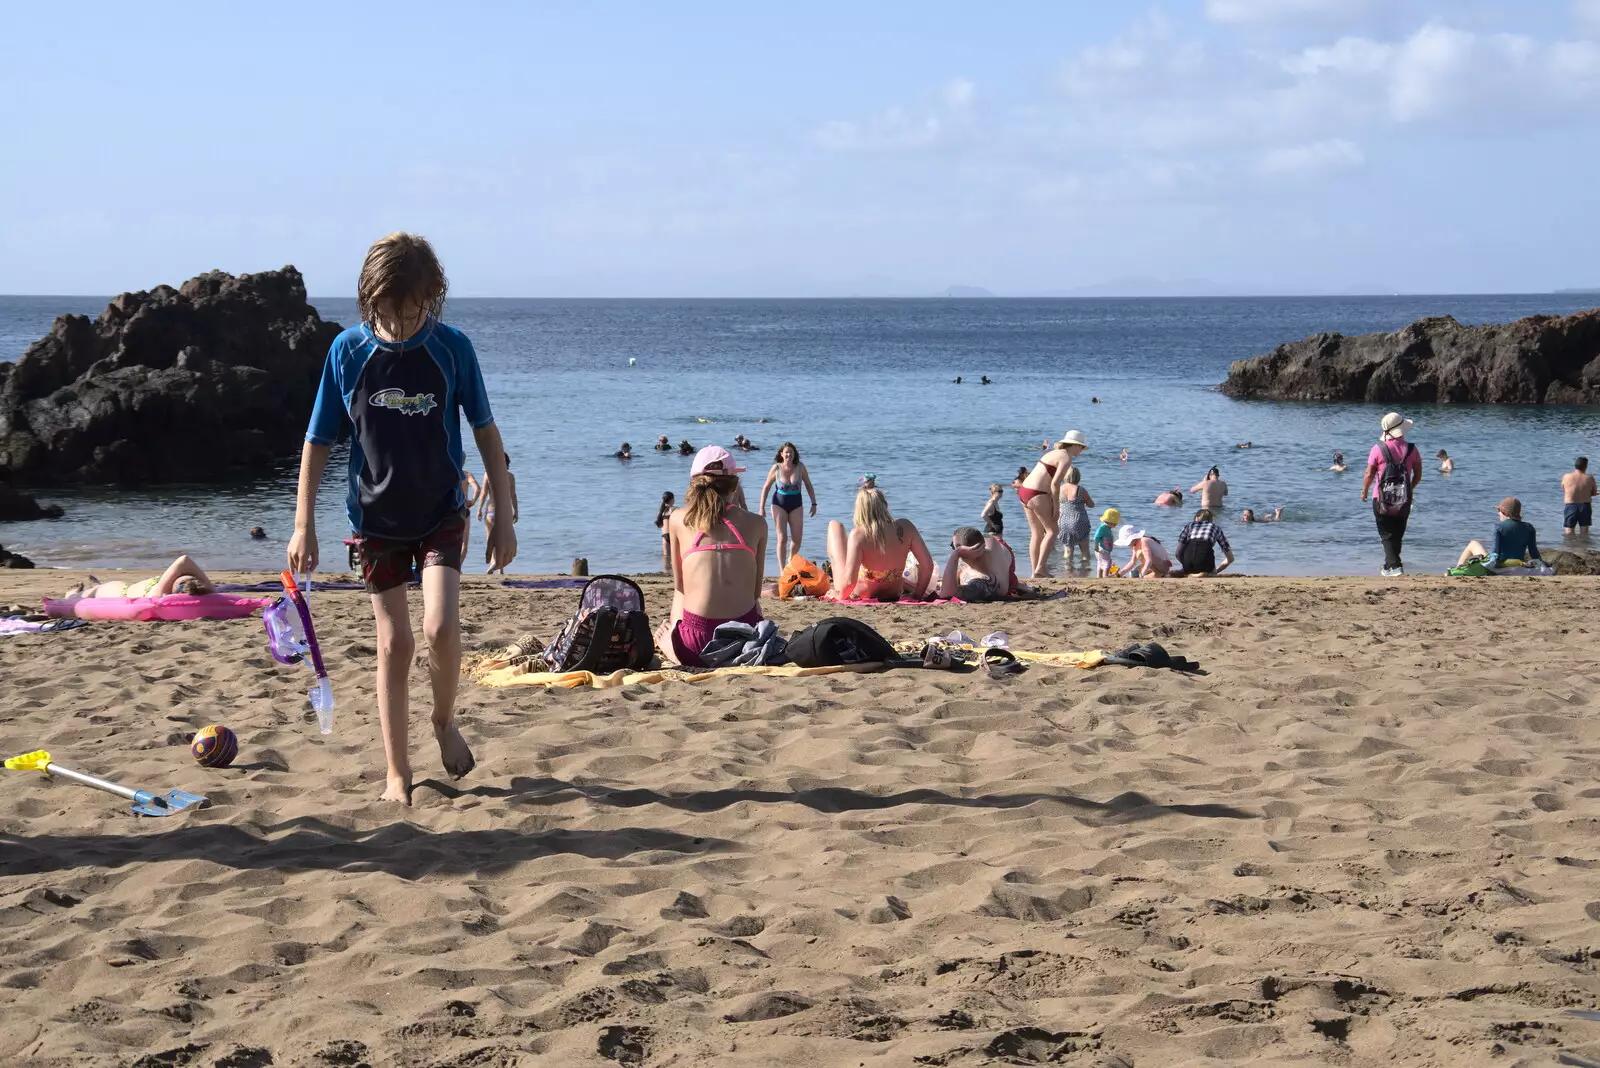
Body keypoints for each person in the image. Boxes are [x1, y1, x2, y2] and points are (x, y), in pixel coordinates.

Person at [289, 232, 514, 805]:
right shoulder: (347, 352)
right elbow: (318, 441)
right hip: (374, 519)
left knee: (439, 628)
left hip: (442, 509)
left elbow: (486, 431)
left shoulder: (452, 349)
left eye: (411, 307)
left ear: (430, 296)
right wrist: (302, 523)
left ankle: (442, 720)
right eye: (388, 308)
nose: (399, 319)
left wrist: (503, 513)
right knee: (395, 644)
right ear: (371, 298)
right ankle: (397, 772)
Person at [663, 448, 768, 667]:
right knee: (751, 600)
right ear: (735, 485)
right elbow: (755, 592)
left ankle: (672, 648)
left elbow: (680, 586)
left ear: (694, 483)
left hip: (695, 643)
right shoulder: (757, 523)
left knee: (681, 593)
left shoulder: (678, 518)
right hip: (744, 638)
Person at [826, 477, 935, 602]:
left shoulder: (859, 534)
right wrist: (917, 596)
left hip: (861, 593)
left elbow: (850, 582)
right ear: (885, 505)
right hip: (894, 593)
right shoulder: (906, 527)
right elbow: (928, 565)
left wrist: (838, 596)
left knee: (834, 526)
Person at [1018, 430, 1088, 578]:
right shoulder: (1066, 457)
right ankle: (1041, 568)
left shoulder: (1052, 453)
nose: (1081, 451)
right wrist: (1056, 506)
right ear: (1075, 445)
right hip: (1037, 493)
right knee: (1052, 531)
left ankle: (1034, 571)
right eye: (1081, 447)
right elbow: (1055, 483)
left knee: (1037, 533)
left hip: (1024, 490)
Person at [1360, 412, 1422, 577]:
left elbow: (1369, 474)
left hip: (1381, 499)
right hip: (1404, 499)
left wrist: (1364, 491)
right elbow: (1418, 475)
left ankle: (1395, 566)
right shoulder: (1412, 449)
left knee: (1386, 533)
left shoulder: (1377, 449)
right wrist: (1410, 489)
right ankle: (1388, 567)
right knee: (1397, 533)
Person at [758, 442, 818, 567]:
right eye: (786, 452)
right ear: (781, 454)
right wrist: (761, 508)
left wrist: (814, 503)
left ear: (794, 454)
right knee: (782, 538)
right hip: (779, 504)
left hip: (796, 504)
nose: (789, 454)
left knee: (797, 540)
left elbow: (808, 485)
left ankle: (791, 559)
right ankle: (782, 569)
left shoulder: (800, 467)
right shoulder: (776, 468)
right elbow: (766, 487)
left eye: (791, 452)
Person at [65, 555, 214, 599]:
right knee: (99, 588)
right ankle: (96, 586)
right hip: (126, 586)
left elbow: (183, 560)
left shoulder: (160, 593)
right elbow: (185, 560)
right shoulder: (197, 588)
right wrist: (210, 588)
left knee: (90, 594)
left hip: (119, 592)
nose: (180, 575)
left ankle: (71, 594)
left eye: (179, 579)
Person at [938, 526, 1020, 601]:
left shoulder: (981, 578)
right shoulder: (987, 541)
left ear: (964, 550)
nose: (953, 549)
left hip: (1000, 559)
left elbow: (947, 594)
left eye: (953, 547)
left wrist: (955, 555)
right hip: (1002, 548)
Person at [1457, 497, 1542, 569]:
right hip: (1518, 564)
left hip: (1501, 566)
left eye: (1499, 510)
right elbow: (1534, 554)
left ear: (1504, 512)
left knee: (1473, 543)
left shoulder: (1499, 527)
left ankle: (1458, 568)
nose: (1498, 513)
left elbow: (1495, 554)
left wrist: (1482, 560)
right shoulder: (1529, 527)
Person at [478, 453, 519, 572]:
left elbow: (484, 493)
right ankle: (499, 567)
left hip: (490, 511)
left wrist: (479, 509)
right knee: (502, 537)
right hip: (504, 513)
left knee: (490, 538)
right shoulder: (510, 476)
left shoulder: (487, 474)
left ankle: (494, 563)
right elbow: (513, 496)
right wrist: (516, 511)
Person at [1175, 509, 1233, 576]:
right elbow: (1230, 559)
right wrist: (1216, 571)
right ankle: (1208, 573)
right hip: (1205, 562)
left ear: (1196, 517)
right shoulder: (1216, 527)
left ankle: (1191, 572)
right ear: (1211, 519)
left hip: (1188, 563)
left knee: (1190, 562)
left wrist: (1185, 564)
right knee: (1211, 569)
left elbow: (1177, 553)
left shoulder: (1189, 526)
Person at [1056, 467, 1095, 569]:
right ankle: (1084, 572)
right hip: (1079, 520)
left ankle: (1068, 571)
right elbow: (1091, 504)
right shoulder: (1080, 490)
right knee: (1085, 551)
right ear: (1078, 477)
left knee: (1068, 551)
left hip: (1063, 521)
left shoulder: (1059, 489)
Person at [1563, 456, 1595, 534]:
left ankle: (1568, 545)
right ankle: (1583, 546)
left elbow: (1564, 489)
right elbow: (1593, 492)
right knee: (1584, 530)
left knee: (1569, 530)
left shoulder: (1566, 476)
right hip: (1585, 506)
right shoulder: (1590, 478)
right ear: (1586, 466)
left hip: (1570, 505)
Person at [1092, 508, 1120, 577]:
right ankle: (1105, 576)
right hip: (1102, 548)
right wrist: (1095, 546)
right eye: (1114, 523)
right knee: (1107, 563)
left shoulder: (1106, 528)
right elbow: (1096, 537)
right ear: (1110, 521)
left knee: (1100, 563)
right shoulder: (1102, 528)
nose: (1116, 525)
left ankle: (1099, 576)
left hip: (1102, 548)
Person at [655, 491, 676, 573]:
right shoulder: (674, 509)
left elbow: (660, 525)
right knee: (673, 556)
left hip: (665, 536)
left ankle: (666, 571)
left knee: (666, 556)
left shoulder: (661, 511)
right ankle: (673, 570)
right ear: (672, 499)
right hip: (673, 535)